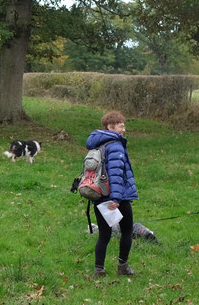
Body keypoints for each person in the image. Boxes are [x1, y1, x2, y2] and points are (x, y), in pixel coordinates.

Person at [86, 111, 138, 278]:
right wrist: (116, 199)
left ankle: (99, 270)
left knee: (104, 234)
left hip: (99, 195)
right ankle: (123, 267)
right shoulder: (115, 145)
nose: (124, 129)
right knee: (127, 231)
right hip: (116, 197)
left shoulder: (97, 143)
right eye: (121, 126)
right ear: (111, 127)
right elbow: (116, 174)